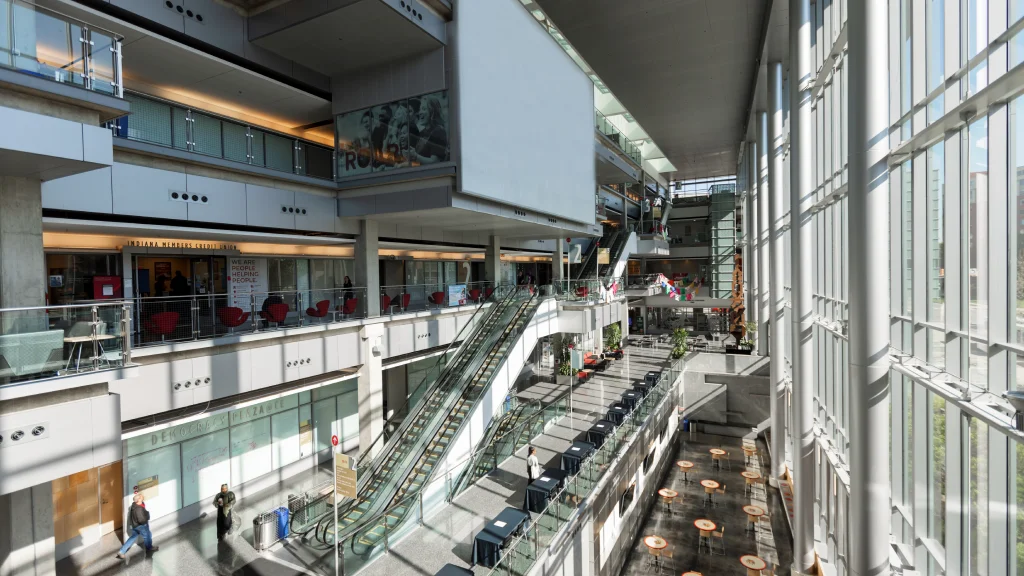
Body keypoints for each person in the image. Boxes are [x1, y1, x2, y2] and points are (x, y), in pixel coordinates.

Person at [116, 493, 158, 560]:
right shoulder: (138, 509)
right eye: (141, 497)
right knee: (148, 535)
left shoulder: (135, 505)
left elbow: (142, 507)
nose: (143, 497)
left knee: (132, 537)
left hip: (135, 525)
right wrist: (147, 515)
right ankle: (149, 548)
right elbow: (141, 520)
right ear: (138, 499)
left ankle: (121, 551)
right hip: (141, 526)